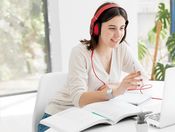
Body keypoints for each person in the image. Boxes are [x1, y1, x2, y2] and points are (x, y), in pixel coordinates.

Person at [38, 2, 147, 132]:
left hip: (89, 116)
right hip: (58, 118)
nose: (118, 35)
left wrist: (112, 86)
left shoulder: (121, 48)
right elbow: (79, 99)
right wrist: (114, 91)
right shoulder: (80, 53)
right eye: (112, 28)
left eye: (122, 28)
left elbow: (143, 77)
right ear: (97, 28)